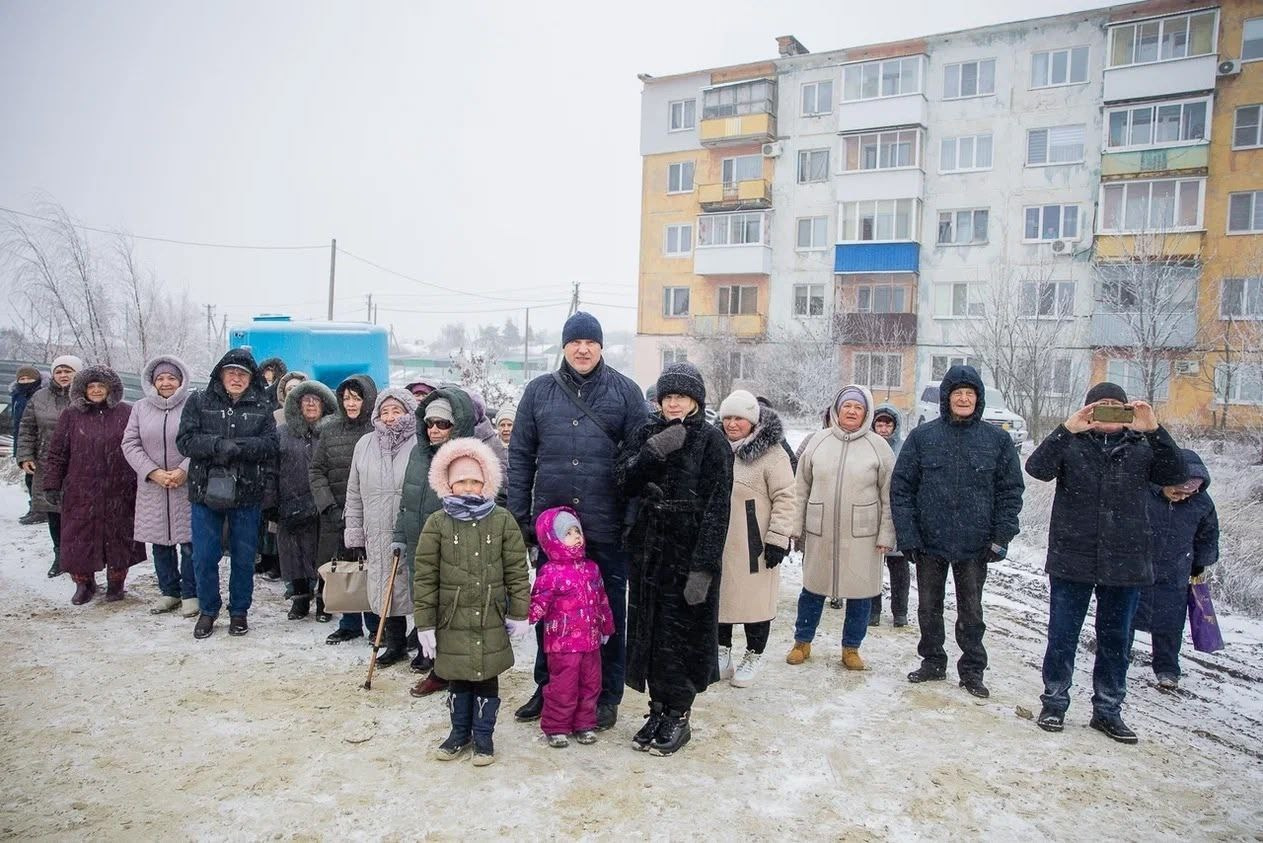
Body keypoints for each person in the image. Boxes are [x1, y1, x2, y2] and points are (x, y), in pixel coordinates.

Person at [509, 312, 648, 730]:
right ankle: (549, 685)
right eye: (575, 342)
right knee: (553, 612)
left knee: (607, 615)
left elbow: (640, 461)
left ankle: (606, 694)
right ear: (564, 346)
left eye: (590, 341)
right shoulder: (538, 392)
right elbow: (519, 456)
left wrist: (630, 517)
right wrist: (521, 516)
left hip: (606, 526)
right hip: (554, 531)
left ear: (601, 346)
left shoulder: (626, 393)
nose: (582, 349)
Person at [1026, 382, 1186, 743]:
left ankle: (1108, 709)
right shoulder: (1071, 444)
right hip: (1073, 556)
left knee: (1115, 639)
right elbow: (1037, 468)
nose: (1109, 411)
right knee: (1062, 635)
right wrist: (1067, 428)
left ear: (1128, 411)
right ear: (1088, 411)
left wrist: (1155, 430)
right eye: (1101, 406)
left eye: (1116, 405)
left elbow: (1175, 475)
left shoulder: (1143, 447)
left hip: (1125, 561)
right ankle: (1054, 702)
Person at [616, 362, 732, 756]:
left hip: (688, 551)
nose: (673, 403)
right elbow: (622, 482)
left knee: (680, 636)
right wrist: (651, 453)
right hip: (649, 551)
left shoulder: (712, 442)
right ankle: (657, 709)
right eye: (667, 396)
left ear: (695, 400)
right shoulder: (645, 433)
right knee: (650, 635)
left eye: (681, 396)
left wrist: (703, 566)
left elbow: (719, 509)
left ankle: (679, 715)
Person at [891, 365, 1024, 698]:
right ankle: (933, 661)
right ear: (946, 398)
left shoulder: (997, 440)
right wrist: (908, 536)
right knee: (928, 608)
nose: (963, 399)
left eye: (970, 393)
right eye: (957, 393)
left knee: (972, 610)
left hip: (975, 544)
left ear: (977, 399)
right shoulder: (923, 437)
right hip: (929, 542)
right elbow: (902, 488)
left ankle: (972, 669)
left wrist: (1001, 536)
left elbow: (1011, 491)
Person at [414, 437, 531, 766]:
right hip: (451, 619)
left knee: (486, 675)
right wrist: (424, 622)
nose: (468, 487)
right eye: (461, 481)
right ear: (448, 484)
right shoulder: (437, 524)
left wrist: (519, 612)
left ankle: (484, 736)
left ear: (486, 483)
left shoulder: (502, 520)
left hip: (489, 617)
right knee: (458, 677)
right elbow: (424, 577)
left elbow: (516, 571)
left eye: (475, 481)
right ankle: (458, 732)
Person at [786, 385, 895, 672]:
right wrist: (796, 526)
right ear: (837, 409)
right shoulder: (818, 442)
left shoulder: (878, 447)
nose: (851, 411)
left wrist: (886, 533)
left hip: (863, 534)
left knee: (860, 593)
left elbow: (889, 495)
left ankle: (851, 648)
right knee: (812, 588)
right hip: (820, 530)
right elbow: (801, 488)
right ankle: (802, 642)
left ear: (866, 413)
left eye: (858, 407)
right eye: (847, 406)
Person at [177, 349, 279, 639]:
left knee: (244, 558)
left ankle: (239, 612)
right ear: (220, 374)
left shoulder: (261, 405)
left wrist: (241, 448)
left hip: (247, 493)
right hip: (205, 491)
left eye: (243, 374)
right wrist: (218, 445)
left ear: (251, 378)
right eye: (231, 372)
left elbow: (271, 445)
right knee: (204, 556)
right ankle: (208, 610)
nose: (236, 378)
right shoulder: (199, 401)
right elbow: (185, 441)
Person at [394, 386, 478, 690]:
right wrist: (399, 534)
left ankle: (448, 671)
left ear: (457, 424)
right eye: (429, 423)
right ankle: (434, 660)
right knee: (426, 605)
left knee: (451, 609)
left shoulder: (469, 456)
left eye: (442, 424)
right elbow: (407, 498)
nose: (434, 429)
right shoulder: (418, 453)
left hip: (453, 547)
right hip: (420, 544)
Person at [43, 366, 146, 604]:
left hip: (120, 488)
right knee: (79, 538)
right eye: (92, 386)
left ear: (111, 389)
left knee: (120, 537)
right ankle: (84, 584)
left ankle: (116, 584)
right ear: (83, 389)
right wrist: (51, 483)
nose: (97, 390)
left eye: (101, 386)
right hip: (81, 489)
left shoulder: (126, 413)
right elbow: (58, 452)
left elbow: (138, 447)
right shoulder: (71, 415)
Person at [716, 390, 795, 688]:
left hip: (755, 545)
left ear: (752, 421)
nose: (732, 424)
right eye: (727, 418)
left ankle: (753, 654)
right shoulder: (715, 447)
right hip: (720, 541)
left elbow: (787, 497)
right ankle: (722, 652)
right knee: (721, 601)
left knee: (755, 603)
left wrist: (777, 538)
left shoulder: (773, 454)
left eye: (739, 418)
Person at [344, 388, 419, 667]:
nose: (389, 417)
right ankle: (395, 642)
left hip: (409, 528)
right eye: (384, 411)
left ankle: (424, 646)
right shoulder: (364, 443)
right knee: (385, 586)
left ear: (409, 412)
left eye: (396, 411)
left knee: (415, 586)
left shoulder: (419, 443)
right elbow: (353, 491)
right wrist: (353, 530)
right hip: (375, 529)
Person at [529, 506, 615, 747]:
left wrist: (606, 627)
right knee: (563, 687)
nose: (576, 536)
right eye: (568, 533)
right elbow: (539, 601)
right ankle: (557, 726)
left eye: (577, 531)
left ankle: (584, 724)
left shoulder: (591, 568)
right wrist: (526, 618)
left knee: (591, 684)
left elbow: (602, 600)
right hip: (563, 644)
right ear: (553, 539)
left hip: (590, 642)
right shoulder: (550, 573)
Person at [1132, 449, 1218, 691]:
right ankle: (1116, 657)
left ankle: (1167, 668)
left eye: (1187, 493)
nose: (1181, 497)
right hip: (1135, 568)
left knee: (1170, 624)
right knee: (1125, 617)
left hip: (1175, 571)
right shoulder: (1143, 492)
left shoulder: (1202, 503)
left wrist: (1200, 563)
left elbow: (1207, 536)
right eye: (1176, 491)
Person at [121, 356, 198, 616]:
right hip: (154, 486)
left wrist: (183, 470)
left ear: (181, 381)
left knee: (190, 542)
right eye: (160, 378)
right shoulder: (141, 408)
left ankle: (191, 592)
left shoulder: (193, 405)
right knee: (160, 543)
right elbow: (130, 443)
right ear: (152, 382)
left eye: (171, 378)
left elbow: (202, 440)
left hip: (185, 484)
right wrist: (152, 472)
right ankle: (169, 592)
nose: (166, 383)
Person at [309, 374, 379, 644]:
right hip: (336, 513)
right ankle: (349, 623)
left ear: (368, 399)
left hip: (368, 515)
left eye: (357, 398)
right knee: (345, 569)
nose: (350, 403)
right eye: (346, 398)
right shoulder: (331, 430)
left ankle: (375, 626)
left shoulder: (376, 432)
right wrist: (327, 505)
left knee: (370, 570)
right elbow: (317, 470)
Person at [274, 380, 338, 620]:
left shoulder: (332, 432)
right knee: (294, 554)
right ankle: (300, 600)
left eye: (316, 399)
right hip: (290, 501)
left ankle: (324, 600)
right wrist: (272, 503)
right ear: (296, 405)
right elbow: (272, 468)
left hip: (324, 504)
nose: (311, 404)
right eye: (305, 400)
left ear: (325, 404)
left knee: (324, 554)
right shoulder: (282, 432)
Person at [17, 354, 83, 577]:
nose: (63, 375)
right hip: (48, 464)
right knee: (54, 513)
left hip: (80, 465)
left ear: (77, 373)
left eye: (68, 371)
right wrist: (26, 456)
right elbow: (27, 428)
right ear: (53, 374)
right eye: (59, 371)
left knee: (78, 512)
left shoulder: (86, 395)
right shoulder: (39, 397)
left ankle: (79, 556)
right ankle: (60, 556)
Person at [869, 404, 910, 628]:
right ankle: (872, 609)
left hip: (898, 512)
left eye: (888, 424)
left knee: (899, 567)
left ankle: (900, 611)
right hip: (871, 513)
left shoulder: (904, 448)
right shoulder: (867, 447)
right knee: (872, 565)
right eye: (880, 424)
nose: (884, 428)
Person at [10, 365, 44, 525]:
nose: (25, 381)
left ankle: (40, 510)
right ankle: (34, 507)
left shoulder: (40, 395)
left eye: (29, 378)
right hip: (23, 439)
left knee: (37, 478)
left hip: (39, 441)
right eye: (21, 379)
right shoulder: (17, 395)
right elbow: (18, 423)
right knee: (29, 477)